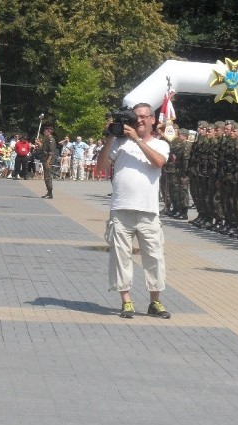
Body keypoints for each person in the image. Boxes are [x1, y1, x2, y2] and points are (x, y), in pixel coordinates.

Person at [97, 102, 171, 319]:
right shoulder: (119, 143)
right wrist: (110, 136)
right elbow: (101, 167)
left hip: (148, 211)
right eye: (135, 116)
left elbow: (158, 162)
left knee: (155, 257)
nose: (139, 120)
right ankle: (126, 301)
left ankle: (155, 302)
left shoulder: (160, 144)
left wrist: (137, 140)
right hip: (121, 209)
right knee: (121, 257)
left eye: (143, 116)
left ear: (152, 120)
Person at [40, 124, 56, 198]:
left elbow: (51, 152)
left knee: (48, 176)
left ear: (49, 131)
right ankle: (49, 192)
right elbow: (43, 149)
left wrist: (48, 162)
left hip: (48, 160)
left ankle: (50, 192)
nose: (44, 132)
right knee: (46, 177)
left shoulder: (51, 140)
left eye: (45, 131)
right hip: (44, 159)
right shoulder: (46, 139)